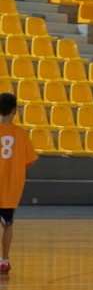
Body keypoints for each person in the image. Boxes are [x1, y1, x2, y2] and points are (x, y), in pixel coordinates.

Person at [0, 92, 38, 274]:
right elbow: (30, 160)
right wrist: (15, 169)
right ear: (14, 111)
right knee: (8, 225)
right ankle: (4, 261)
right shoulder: (21, 134)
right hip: (10, 188)